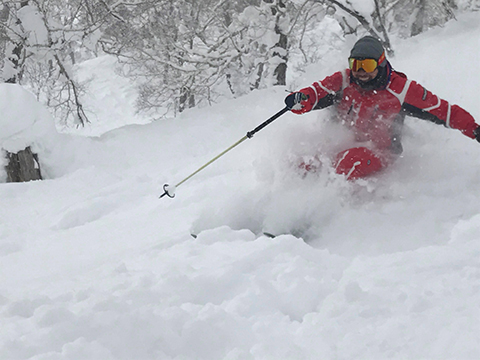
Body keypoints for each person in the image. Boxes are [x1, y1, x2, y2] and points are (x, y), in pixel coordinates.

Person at [285, 36, 480, 180]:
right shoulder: (344, 79)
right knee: (307, 161)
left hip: (379, 152)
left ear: (380, 63)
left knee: (346, 163)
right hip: (343, 143)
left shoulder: (401, 90)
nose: (360, 72)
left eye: (367, 65)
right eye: (356, 64)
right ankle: (293, 207)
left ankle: (323, 215)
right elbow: (316, 92)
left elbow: (445, 112)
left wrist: (475, 129)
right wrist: (300, 100)